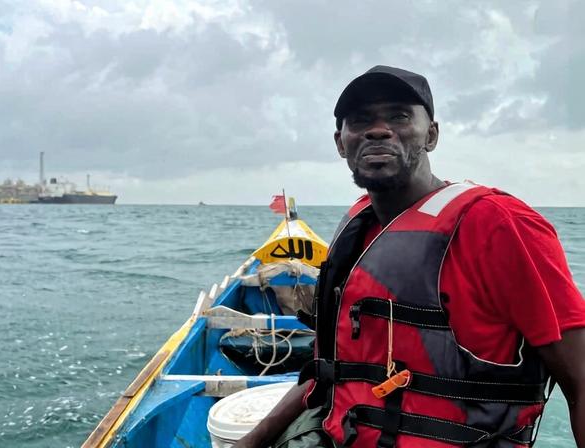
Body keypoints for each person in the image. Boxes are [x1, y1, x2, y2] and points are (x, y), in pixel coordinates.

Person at [236, 66, 585, 447]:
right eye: (361, 120)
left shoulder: (500, 225)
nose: (378, 130)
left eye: (399, 116)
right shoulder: (358, 226)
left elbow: (580, 379)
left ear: (431, 134)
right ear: (341, 143)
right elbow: (328, 372)